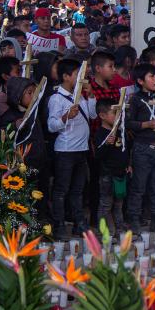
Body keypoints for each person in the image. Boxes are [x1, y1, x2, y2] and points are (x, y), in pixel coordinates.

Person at [47, 58, 97, 239]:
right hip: (65, 150)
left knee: (78, 190)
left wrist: (91, 96)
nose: (81, 77)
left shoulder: (81, 95)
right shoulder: (56, 99)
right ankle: (59, 224)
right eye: (77, 74)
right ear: (66, 76)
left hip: (81, 149)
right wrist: (66, 116)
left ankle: (79, 223)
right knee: (61, 190)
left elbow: (92, 114)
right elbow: (52, 125)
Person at [125, 63, 155, 233]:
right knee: (139, 186)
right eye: (151, 76)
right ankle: (134, 219)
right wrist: (146, 124)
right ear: (140, 81)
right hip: (143, 148)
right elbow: (128, 123)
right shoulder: (135, 99)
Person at [0, 76, 50, 220]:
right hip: (24, 166)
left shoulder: (34, 113)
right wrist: (14, 127)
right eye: (29, 92)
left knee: (42, 196)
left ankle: (42, 226)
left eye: (35, 92)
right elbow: (4, 140)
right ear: (17, 96)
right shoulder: (9, 117)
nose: (34, 95)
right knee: (25, 198)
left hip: (41, 163)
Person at [94, 98, 128, 235]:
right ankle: (105, 231)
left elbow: (125, 150)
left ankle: (119, 229)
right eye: (114, 112)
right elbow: (98, 155)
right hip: (107, 175)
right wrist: (107, 144)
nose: (118, 116)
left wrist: (128, 164)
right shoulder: (100, 134)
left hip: (120, 173)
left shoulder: (121, 131)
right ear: (102, 116)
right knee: (106, 204)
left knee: (119, 204)